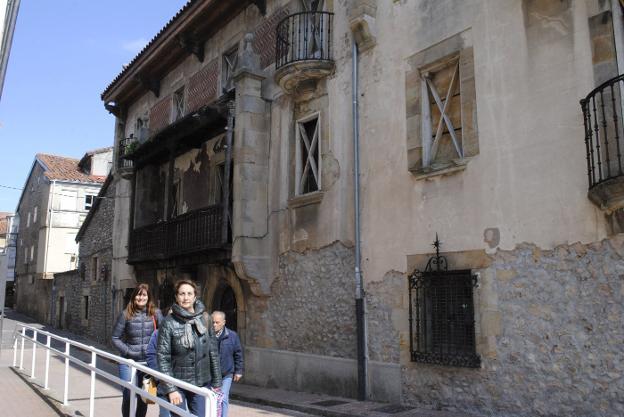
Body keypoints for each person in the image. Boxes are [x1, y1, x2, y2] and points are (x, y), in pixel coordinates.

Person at [157, 280, 222, 417]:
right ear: (176, 297)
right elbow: (163, 357)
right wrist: (171, 389)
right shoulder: (168, 322)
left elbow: (213, 352)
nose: (185, 297)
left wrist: (217, 382)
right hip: (177, 382)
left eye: (189, 293)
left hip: (201, 382)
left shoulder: (205, 319)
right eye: (182, 294)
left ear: (195, 296)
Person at [112, 283, 162, 417]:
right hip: (128, 362)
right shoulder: (125, 314)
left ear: (148, 297)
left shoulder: (156, 313)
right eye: (139, 295)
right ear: (134, 297)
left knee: (145, 398)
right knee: (128, 395)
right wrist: (128, 351)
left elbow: (163, 336)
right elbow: (115, 337)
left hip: (148, 363)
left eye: (144, 295)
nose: (141, 298)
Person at [211, 311, 243, 417]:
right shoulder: (206, 335)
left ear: (224, 322)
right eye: (213, 322)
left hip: (227, 373)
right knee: (211, 398)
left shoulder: (232, 336)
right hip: (210, 374)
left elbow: (238, 354)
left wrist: (238, 371)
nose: (214, 325)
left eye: (217, 322)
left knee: (223, 397)